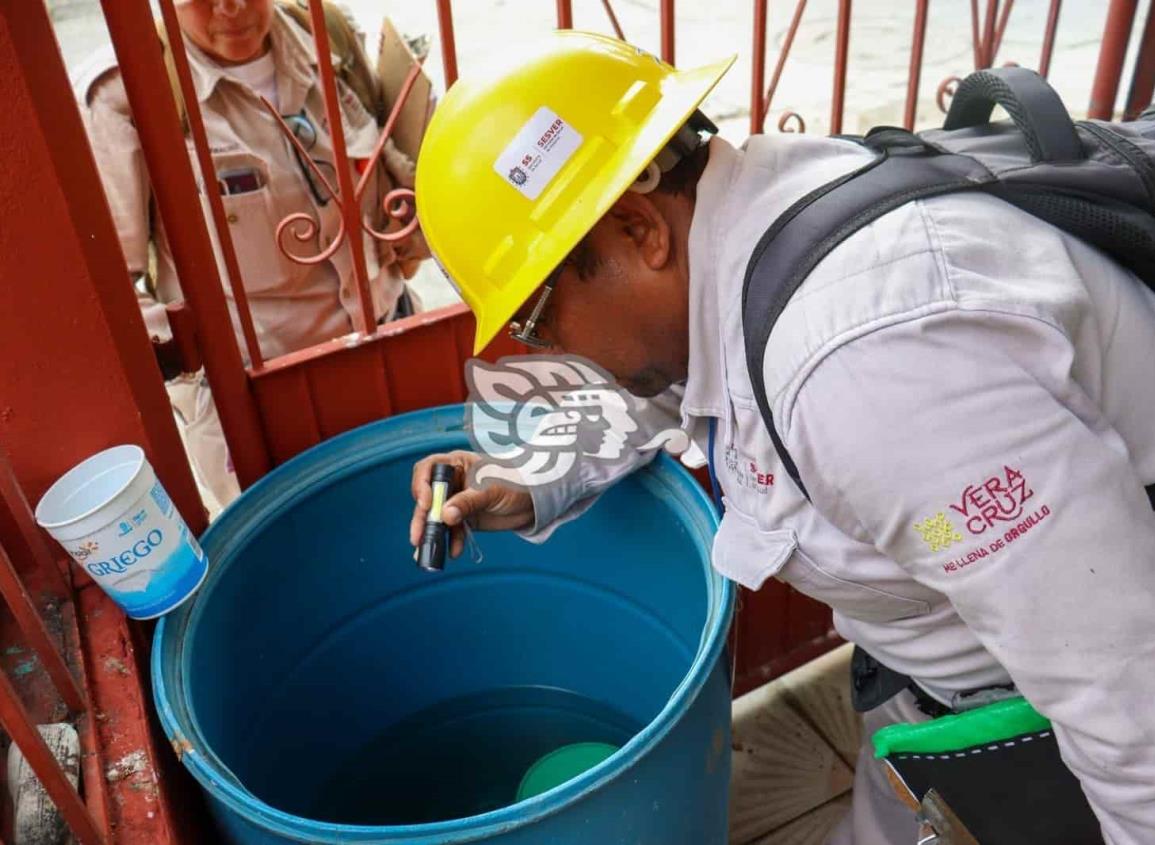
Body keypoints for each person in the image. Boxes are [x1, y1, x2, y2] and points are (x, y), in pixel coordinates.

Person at [408, 31, 1155, 845]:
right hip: (934, 693)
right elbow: (691, 385)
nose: (543, 351)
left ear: (635, 228)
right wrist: (533, 469)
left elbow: (1122, 695)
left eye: (533, 316)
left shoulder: (871, 379)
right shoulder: (747, 216)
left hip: (1046, 732)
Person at [76, 0, 430, 514]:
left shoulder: (323, 33)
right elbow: (109, 284)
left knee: (431, 521)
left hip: (387, 344)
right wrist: (194, 376)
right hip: (255, 397)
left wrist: (409, 229)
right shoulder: (128, 91)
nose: (232, 9)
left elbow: (395, 164)